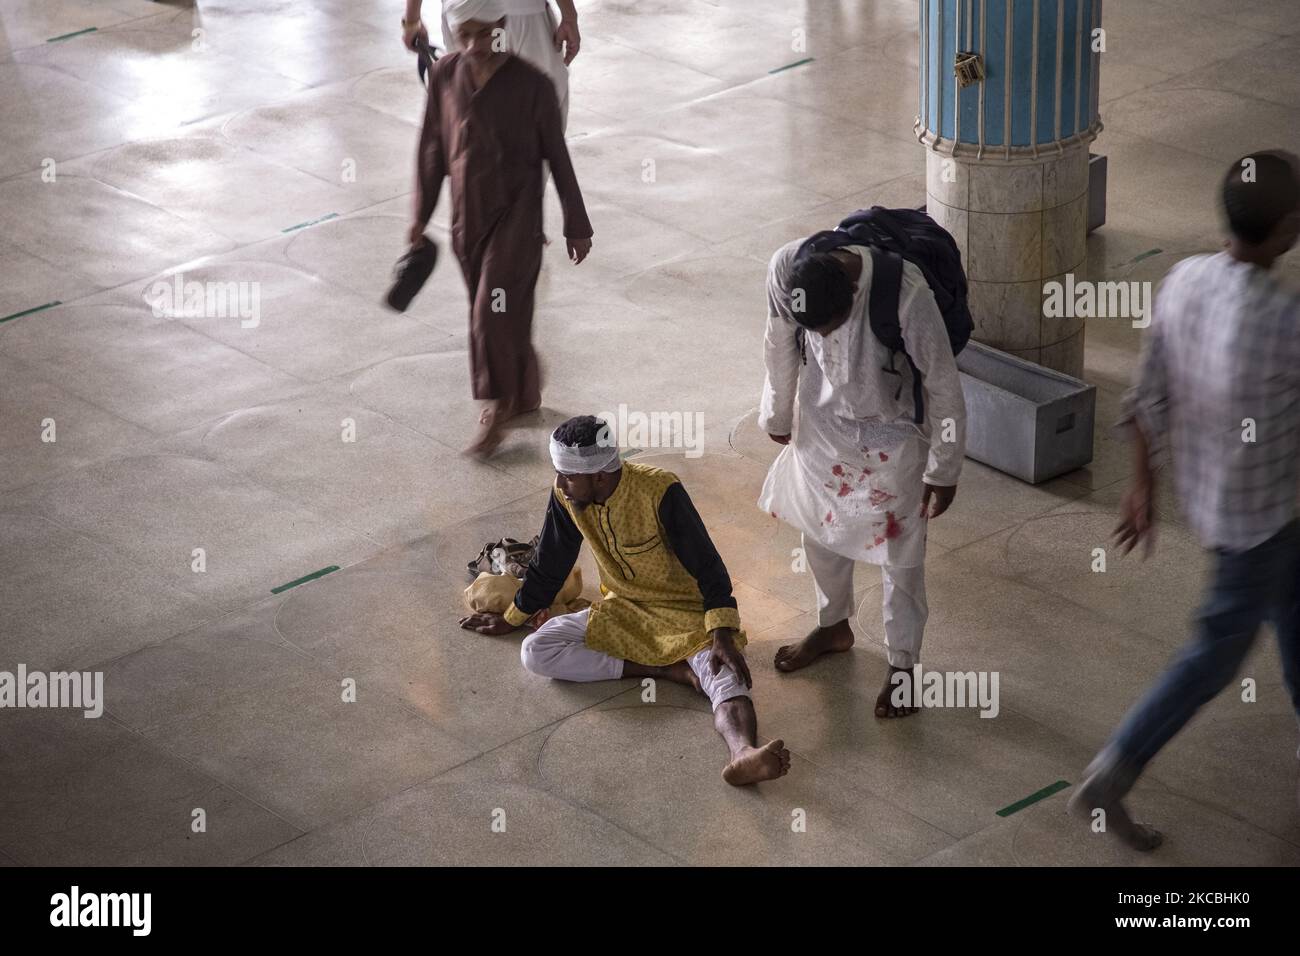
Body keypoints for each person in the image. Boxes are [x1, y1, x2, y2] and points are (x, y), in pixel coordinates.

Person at [1068, 150, 1300, 851]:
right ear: (1288, 227)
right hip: (1259, 519)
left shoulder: (1183, 281)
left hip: (1218, 500)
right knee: (1216, 652)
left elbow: (1147, 396)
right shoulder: (1285, 322)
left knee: (1294, 611)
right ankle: (1111, 774)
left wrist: (1143, 483)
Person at [459, 416, 792, 785]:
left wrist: (722, 633)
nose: (560, 484)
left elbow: (708, 565)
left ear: (600, 476)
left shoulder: (659, 490)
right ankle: (668, 670)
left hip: (686, 614)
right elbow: (551, 563)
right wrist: (514, 615)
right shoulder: (567, 497)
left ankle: (743, 752)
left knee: (727, 677)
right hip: (623, 610)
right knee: (536, 650)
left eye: (568, 476)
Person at [757, 234, 966, 718]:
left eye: (832, 328)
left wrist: (945, 466)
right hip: (822, 424)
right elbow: (778, 342)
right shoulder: (785, 268)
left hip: (892, 434)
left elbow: (942, 381)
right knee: (821, 529)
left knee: (900, 553)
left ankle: (903, 666)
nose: (825, 339)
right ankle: (834, 626)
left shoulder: (905, 295)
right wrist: (777, 415)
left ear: (853, 293)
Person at [410, 0, 593, 457]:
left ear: (503, 25)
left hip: (518, 218)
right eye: (465, 34)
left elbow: (558, 156)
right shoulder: (446, 77)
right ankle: (525, 385)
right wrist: (418, 216)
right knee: (496, 307)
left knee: (487, 313)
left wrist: (576, 223)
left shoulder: (533, 86)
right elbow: (431, 151)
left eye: (485, 33)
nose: (476, 44)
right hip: (466, 219)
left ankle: (493, 407)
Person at [402, 0, 580, 130]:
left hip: (463, 22)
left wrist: (412, 20)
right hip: (523, 14)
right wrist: (569, 15)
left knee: (477, 116)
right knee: (539, 118)